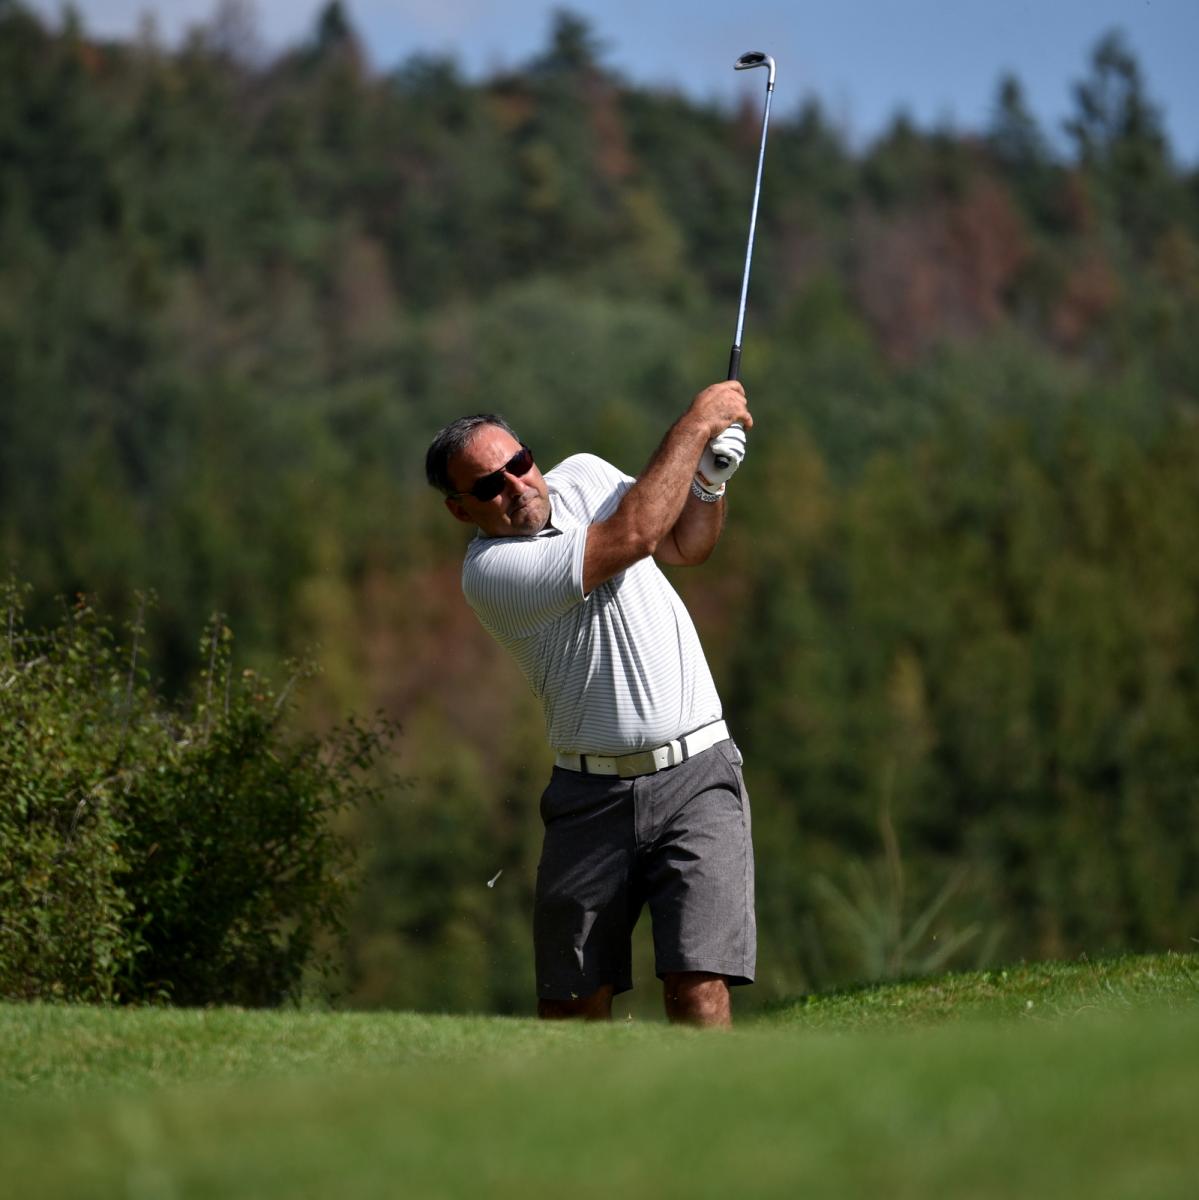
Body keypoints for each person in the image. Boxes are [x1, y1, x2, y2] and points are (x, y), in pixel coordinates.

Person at [424, 381, 755, 1027]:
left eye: (519, 463)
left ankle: (711, 1097)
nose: (517, 486)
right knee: (571, 1003)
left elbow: (683, 545)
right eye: (489, 485)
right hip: (590, 799)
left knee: (697, 981)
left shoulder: (585, 476)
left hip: (699, 775)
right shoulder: (491, 573)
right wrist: (696, 424)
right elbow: (634, 534)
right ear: (461, 511)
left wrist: (709, 483)